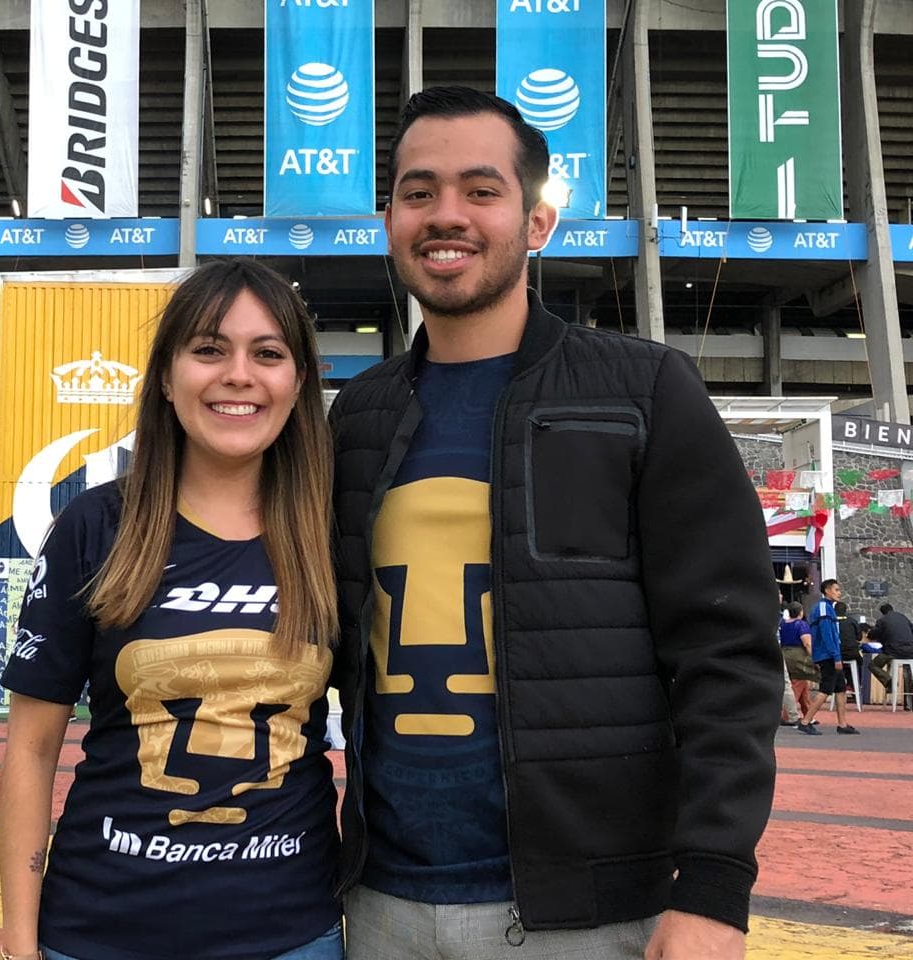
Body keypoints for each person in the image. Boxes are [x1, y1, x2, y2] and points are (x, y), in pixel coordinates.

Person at [328, 86, 782, 960]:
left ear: (537, 223)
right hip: (380, 903)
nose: (445, 216)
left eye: (481, 190)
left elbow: (726, 653)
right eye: (417, 192)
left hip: (588, 915)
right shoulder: (358, 417)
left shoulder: (643, 392)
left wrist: (715, 889)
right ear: (388, 217)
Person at [0, 260, 341, 960]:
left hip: (294, 933)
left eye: (268, 353)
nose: (238, 375)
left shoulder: (335, 531)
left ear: (298, 382)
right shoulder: (96, 527)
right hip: (99, 931)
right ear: (165, 375)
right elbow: (31, 751)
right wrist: (18, 943)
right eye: (209, 349)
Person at [798, 580, 860, 735]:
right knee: (826, 689)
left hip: (827, 653)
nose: (839, 593)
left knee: (840, 688)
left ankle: (842, 724)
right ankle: (805, 721)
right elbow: (827, 635)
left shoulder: (826, 608)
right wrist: (836, 656)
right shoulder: (824, 608)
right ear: (827, 590)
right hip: (827, 655)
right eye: (836, 589)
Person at [779, 601, 816, 721]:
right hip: (798, 654)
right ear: (801, 612)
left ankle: (808, 714)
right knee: (797, 683)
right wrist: (813, 659)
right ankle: (788, 714)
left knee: (802, 684)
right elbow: (807, 643)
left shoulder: (783, 624)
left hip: (785, 653)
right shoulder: (802, 625)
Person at [868, 602, 913, 703]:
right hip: (910, 652)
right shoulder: (903, 617)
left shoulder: (882, 620)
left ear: (882, 612)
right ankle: (909, 703)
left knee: (873, 665)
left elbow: (873, 634)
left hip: (892, 651)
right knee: (908, 673)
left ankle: (889, 681)